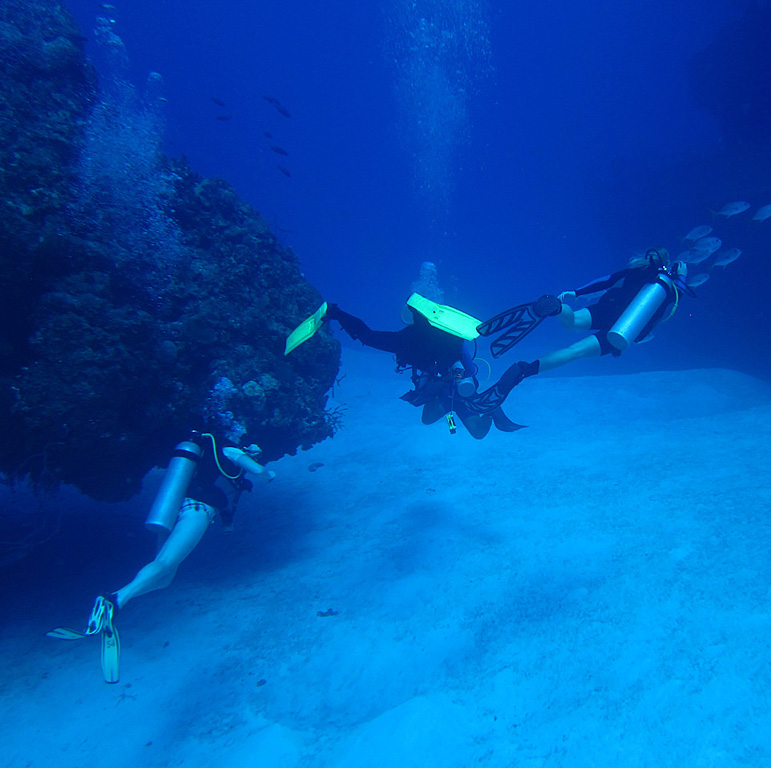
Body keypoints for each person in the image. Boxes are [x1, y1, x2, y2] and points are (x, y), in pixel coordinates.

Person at [48, 431, 274, 683]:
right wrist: (268, 474)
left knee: (165, 578)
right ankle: (114, 600)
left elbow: (227, 514)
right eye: (255, 446)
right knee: (165, 563)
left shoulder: (223, 466)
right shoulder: (230, 450)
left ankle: (117, 601)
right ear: (243, 442)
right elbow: (258, 470)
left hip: (177, 507)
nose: (257, 450)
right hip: (197, 510)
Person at [466, 248, 691, 414]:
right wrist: (681, 275)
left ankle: (556, 308)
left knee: (572, 319)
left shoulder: (636, 270)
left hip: (609, 306)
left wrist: (576, 292)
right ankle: (525, 369)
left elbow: (607, 281)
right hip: (623, 328)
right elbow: (680, 292)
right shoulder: (667, 287)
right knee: (575, 352)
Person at [285, 293, 526, 438]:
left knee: (477, 432)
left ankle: (490, 408)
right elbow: (472, 370)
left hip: (457, 388)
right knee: (437, 422)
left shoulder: (409, 341)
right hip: (444, 388)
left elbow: (366, 335)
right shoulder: (444, 339)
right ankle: (485, 406)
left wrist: (336, 313)